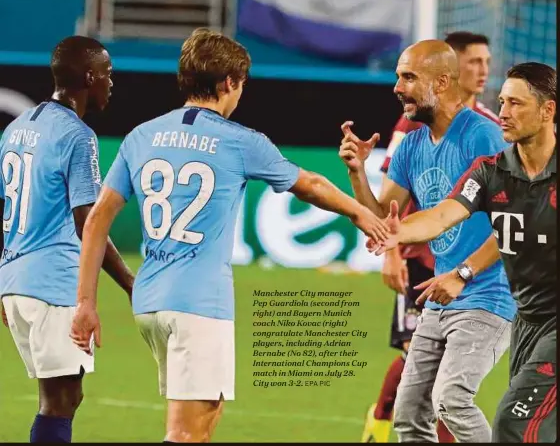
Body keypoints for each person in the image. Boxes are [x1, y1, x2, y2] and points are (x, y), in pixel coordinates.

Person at [69, 28, 390, 443]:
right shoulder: (239, 141)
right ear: (227, 83)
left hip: (150, 301)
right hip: (199, 303)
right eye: (241, 85)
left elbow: (96, 221)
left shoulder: (141, 136)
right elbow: (308, 183)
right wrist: (361, 213)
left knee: (203, 420)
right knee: (186, 433)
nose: (241, 95)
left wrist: (86, 303)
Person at [369, 61, 556, 443]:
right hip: (528, 319)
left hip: (540, 316)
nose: (503, 112)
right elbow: (440, 217)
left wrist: (463, 274)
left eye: (516, 104)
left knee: (509, 422)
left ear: (548, 110)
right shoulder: (490, 171)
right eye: (502, 102)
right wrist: (393, 231)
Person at [338, 39, 516, 442]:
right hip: (440, 297)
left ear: (441, 81)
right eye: (398, 76)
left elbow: (512, 223)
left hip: (488, 293)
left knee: (451, 400)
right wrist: (356, 173)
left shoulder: (483, 136)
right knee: (409, 413)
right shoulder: (413, 145)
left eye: (408, 77)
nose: (397, 87)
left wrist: (465, 273)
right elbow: (386, 220)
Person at [0, 36, 135, 443]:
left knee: (60, 397)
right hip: (51, 284)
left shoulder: (18, 128)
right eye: (108, 74)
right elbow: (87, 224)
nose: (111, 83)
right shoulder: (78, 136)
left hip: (16, 283)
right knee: (60, 400)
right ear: (90, 77)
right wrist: (132, 284)